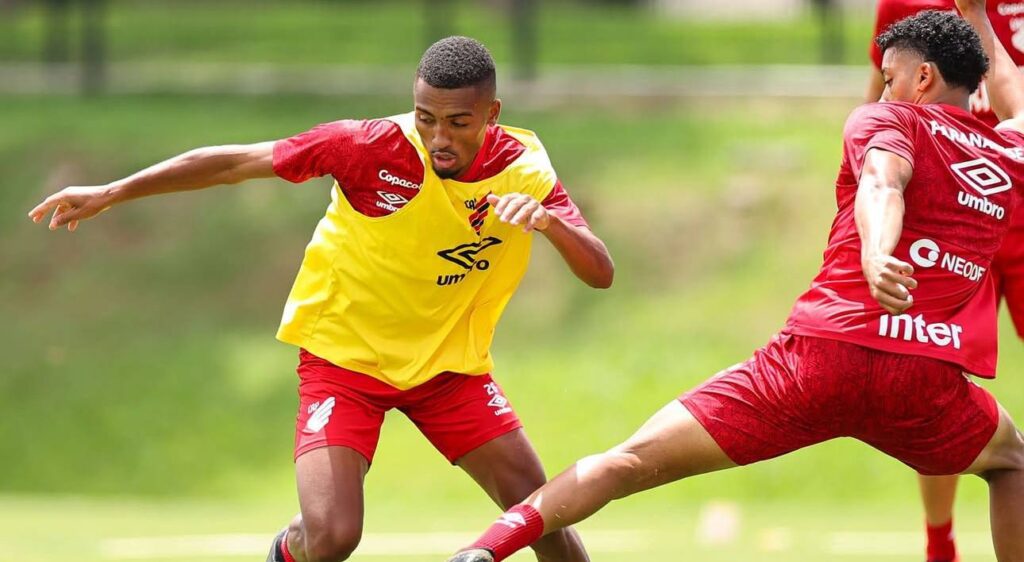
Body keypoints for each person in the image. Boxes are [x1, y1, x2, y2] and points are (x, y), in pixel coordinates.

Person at [447, 8, 1024, 562]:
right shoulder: (1008, 152)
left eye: (890, 77)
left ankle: (485, 550)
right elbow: (1008, 91)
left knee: (629, 461)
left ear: (922, 77)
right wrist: (980, 20)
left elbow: (883, 181)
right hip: (920, 382)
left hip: (821, 359)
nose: (880, 91)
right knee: (1011, 463)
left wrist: (876, 255)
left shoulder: (886, 120)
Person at [28, 36, 613, 562]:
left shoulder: (524, 167)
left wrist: (549, 224)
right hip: (345, 363)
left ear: (492, 114)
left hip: (449, 370)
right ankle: (287, 550)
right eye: (426, 118)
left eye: (459, 122)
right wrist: (114, 190)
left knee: (544, 517)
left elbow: (600, 272)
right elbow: (237, 163)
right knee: (331, 537)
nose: (439, 137)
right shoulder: (367, 148)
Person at [868, 2, 1024, 559]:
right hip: (949, 214)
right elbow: (880, 98)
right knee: (936, 378)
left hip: (1020, 195)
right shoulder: (907, 8)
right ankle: (941, 542)